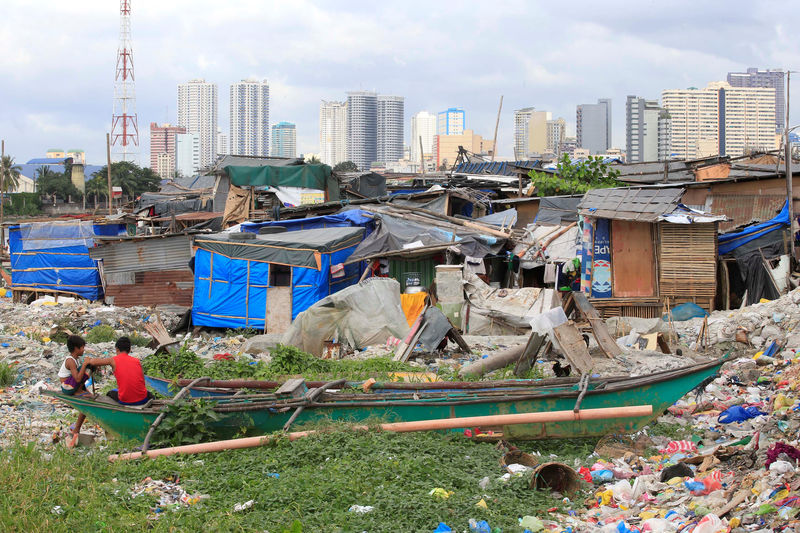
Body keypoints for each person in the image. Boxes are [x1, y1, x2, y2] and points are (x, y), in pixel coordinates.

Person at [87, 337, 151, 406]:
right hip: (143, 399)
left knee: (110, 393)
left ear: (117, 349)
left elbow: (93, 362)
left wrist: (88, 360)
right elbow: (142, 381)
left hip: (125, 401)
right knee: (148, 393)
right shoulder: (137, 361)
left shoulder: (113, 360)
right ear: (129, 350)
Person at [57, 335, 92, 448]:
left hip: (73, 385)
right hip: (67, 387)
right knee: (87, 367)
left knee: (89, 368)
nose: (83, 350)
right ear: (76, 348)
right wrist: (85, 364)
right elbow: (77, 378)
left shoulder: (76, 360)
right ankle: (76, 428)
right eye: (82, 347)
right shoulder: (70, 361)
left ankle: (76, 428)